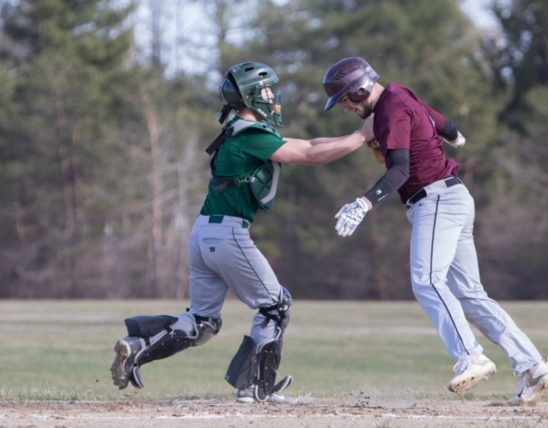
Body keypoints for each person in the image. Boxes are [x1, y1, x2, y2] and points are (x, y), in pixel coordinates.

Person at [110, 61, 374, 404]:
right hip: (228, 235)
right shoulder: (251, 134)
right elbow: (311, 154)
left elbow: (312, 141)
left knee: (203, 322)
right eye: (266, 90)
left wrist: (357, 136)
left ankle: (138, 346)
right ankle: (254, 387)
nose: (272, 96)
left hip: (203, 234)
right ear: (250, 95)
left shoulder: (240, 130)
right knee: (276, 306)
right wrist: (365, 134)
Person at [323, 57, 548, 406]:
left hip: (435, 202)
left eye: (345, 98)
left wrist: (365, 203)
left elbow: (400, 170)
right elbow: (444, 123)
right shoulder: (399, 93)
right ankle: (534, 366)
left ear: (360, 88)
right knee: (472, 297)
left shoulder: (390, 111)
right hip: (455, 197)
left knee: (427, 280)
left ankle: (471, 356)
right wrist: (453, 136)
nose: (345, 106)